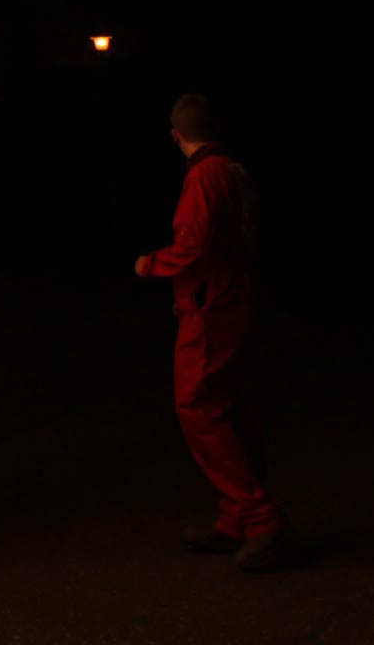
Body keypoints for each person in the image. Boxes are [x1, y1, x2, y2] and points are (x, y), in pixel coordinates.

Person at [135, 94, 294, 570]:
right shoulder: (234, 169)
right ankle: (237, 518)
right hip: (234, 300)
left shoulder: (204, 176)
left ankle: (262, 519)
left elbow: (194, 246)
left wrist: (149, 265)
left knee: (199, 407)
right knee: (229, 407)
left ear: (176, 135)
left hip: (211, 308)